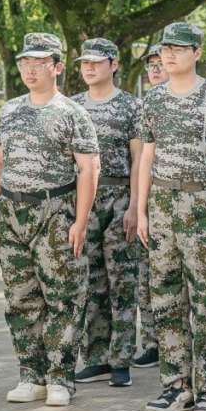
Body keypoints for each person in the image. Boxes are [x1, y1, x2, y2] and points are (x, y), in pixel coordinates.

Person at [0, 33, 99, 407]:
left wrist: (80, 221)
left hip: (55, 213)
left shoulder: (72, 113)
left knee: (62, 298)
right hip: (11, 213)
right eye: (25, 63)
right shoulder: (9, 110)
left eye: (39, 63)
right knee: (20, 298)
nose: (30, 70)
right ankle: (30, 376)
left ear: (57, 67)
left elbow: (88, 169)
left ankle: (60, 378)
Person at [136, 21, 206, 411]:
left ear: (197, 53)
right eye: (166, 48)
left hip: (204, 204)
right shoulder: (154, 98)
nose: (169, 54)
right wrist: (141, 209)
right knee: (165, 299)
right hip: (162, 204)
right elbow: (147, 156)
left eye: (178, 49)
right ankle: (174, 386)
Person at [70, 39, 142, 390]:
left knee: (123, 282)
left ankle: (121, 360)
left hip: (119, 198)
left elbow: (139, 158)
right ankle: (96, 356)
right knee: (91, 282)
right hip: (84, 200)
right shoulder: (72, 105)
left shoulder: (130, 106)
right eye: (84, 62)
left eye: (96, 62)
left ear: (114, 65)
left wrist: (135, 205)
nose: (88, 67)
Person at [134, 43, 165, 368]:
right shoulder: (145, 105)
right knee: (146, 278)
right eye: (151, 65)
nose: (155, 70)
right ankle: (153, 342)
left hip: (182, 202)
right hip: (151, 201)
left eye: (160, 64)